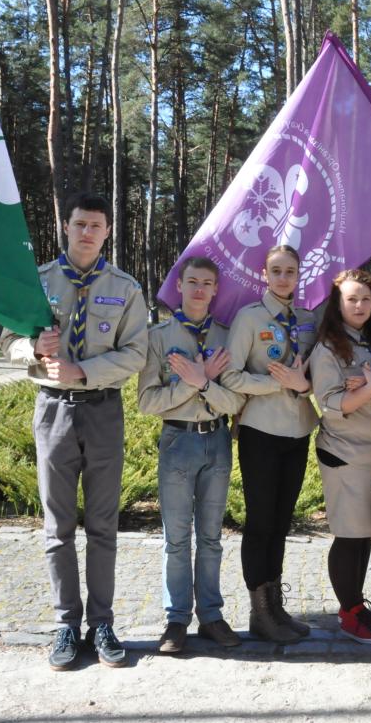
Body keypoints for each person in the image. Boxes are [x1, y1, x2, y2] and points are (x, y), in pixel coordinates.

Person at [0, 192, 147, 670]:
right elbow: (6, 340)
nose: (87, 233)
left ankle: (102, 622)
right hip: (53, 412)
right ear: (66, 226)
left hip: (103, 411)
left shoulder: (125, 288)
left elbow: (135, 354)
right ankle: (66, 623)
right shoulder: (36, 281)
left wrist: (83, 372)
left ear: (107, 232)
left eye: (96, 226)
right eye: (80, 224)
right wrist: (32, 348)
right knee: (57, 527)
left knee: (103, 526)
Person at [137, 257, 245, 654]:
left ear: (216, 290)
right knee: (177, 538)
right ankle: (176, 620)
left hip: (216, 440)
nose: (200, 289)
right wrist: (193, 384)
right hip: (177, 442)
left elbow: (236, 399)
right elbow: (147, 402)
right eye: (192, 282)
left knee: (212, 537)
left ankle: (212, 615)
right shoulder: (158, 338)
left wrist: (203, 382)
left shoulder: (227, 336)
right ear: (179, 286)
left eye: (207, 283)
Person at [219, 245, 318, 644]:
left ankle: (275, 604)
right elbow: (230, 376)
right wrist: (277, 383)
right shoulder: (249, 318)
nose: (282, 279)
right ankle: (258, 610)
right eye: (275, 271)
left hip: (297, 432)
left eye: (290, 272)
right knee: (260, 522)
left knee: (282, 521)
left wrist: (305, 385)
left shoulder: (309, 320)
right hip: (261, 430)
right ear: (264, 274)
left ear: (299, 276)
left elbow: (316, 372)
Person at [309, 269, 371, 645]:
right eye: (352, 299)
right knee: (349, 535)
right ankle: (348, 614)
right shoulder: (328, 348)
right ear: (337, 303)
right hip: (345, 452)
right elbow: (332, 405)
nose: (360, 305)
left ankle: (357, 605)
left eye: (366, 298)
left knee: (364, 533)